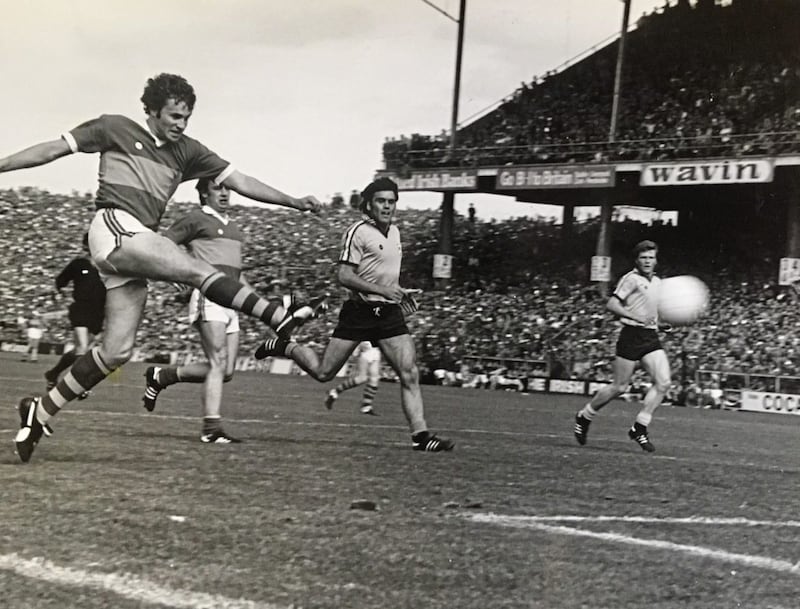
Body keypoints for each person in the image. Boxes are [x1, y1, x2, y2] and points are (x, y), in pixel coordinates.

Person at [2, 72, 326, 462]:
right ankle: (277, 317)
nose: (181, 124)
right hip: (114, 226)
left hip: (136, 248)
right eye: (174, 116)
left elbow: (241, 180)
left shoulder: (188, 151)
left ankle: (41, 411)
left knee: (117, 351)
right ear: (152, 111)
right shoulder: (113, 127)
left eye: (186, 118)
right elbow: (52, 150)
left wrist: (293, 201)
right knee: (196, 268)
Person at [255, 177, 454, 452]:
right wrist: (382, 291)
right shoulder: (357, 232)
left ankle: (421, 437)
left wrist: (399, 292)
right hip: (359, 313)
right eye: (381, 201)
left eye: (391, 201)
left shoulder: (395, 232)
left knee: (409, 373)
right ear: (370, 204)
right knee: (324, 373)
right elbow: (344, 275)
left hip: (387, 313)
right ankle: (285, 346)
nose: (387, 206)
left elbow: (384, 276)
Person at [141, 178, 248, 443]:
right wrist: (175, 270)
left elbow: (238, 273)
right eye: (217, 188)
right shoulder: (196, 219)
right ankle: (211, 429)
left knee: (226, 371)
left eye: (227, 188)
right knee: (217, 362)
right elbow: (160, 244)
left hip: (232, 301)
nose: (224, 193)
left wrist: (254, 302)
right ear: (203, 194)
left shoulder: (234, 228)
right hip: (209, 296)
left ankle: (162, 376)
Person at [573, 240, 671, 452]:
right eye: (643, 258)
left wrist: (662, 323)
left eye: (651, 257)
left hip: (650, 337)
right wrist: (632, 315)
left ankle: (640, 427)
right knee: (619, 387)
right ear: (637, 260)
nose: (647, 261)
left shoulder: (657, 282)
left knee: (663, 383)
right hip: (630, 336)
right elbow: (612, 304)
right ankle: (585, 416)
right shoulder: (631, 279)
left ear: (656, 260)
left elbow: (651, 311)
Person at [44, 233, 106, 397]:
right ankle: (80, 385)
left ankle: (53, 373)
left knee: (79, 350)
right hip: (80, 309)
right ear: (86, 246)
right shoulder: (79, 264)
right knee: (83, 349)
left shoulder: (107, 268)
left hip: (98, 313)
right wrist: (58, 294)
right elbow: (60, 281)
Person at [324, 341, 382, 415]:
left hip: (376, 350)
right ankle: (334, 391)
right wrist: (359, 344)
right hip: (366, 348)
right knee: (362, 378)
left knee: (374, 379)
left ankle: (366, 406)